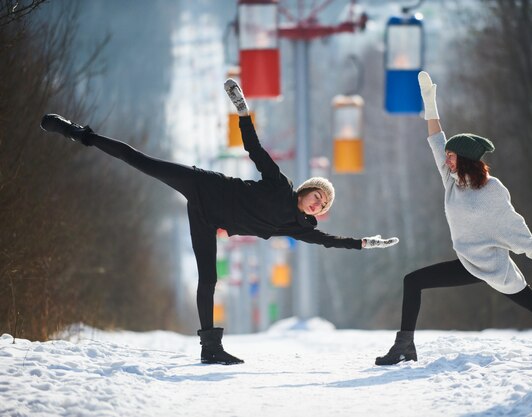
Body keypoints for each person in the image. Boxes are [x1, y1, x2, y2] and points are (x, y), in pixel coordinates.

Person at [40, 79, 399, 365]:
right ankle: (77, 133)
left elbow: (329, 241)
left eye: (322, 205)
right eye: (317, 196)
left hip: (205, 218)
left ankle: (210, 348)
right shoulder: (281, 184)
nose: (317, 203)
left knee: (209, 278)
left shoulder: (295, 228)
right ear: (306, 190)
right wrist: (242, 111)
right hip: (204, 185)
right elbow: (255, 151)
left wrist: (365, 243)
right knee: (140, 161)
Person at [374, 72, 532, 366]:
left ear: (464, 159)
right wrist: (430, 103)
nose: (446, 160)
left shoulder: (492, 189)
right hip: (467, 263)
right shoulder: (451, 180)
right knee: (412, 281)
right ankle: (404, 348)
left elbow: (514, 224)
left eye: (452, 156)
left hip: (494, 268)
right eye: (447, 156)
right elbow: (435, 139)